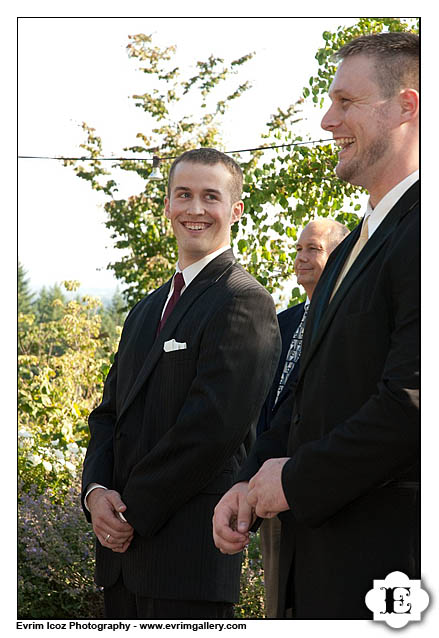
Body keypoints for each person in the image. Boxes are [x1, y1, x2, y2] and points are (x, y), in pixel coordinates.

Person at [213, 31, 419, 619]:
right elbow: (306, 393)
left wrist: (298, 480)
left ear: (407, 106)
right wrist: (252, 486)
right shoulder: (355, 244)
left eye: (346, 102)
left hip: (388, 573)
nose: (327, 119)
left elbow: (413, 400)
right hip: (313, 571)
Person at [81, 148, 281, 620]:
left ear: (235, 211)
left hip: (187, 561)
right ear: (167, 206)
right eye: (183, 195)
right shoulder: (146, 309)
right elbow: (109, 413)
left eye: (210, 197)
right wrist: (95, 492)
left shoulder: (243, 301)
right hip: (119, 561)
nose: (195, 209)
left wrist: (131, 512)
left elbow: (212, 430)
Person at [257, 218, 349, 618]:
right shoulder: (284, 321)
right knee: (276, 605)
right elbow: (270, 402)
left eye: (312, 249)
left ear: (340, 255)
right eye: (298, 250)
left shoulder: (346, 320)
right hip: (270, 483)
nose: (301, 258)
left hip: (318, 486)